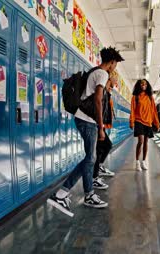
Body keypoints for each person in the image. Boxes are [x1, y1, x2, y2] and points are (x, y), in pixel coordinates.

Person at [47, 47, 124, 217]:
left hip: (83, 118)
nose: (115, 67)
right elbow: (97, 100)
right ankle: (62, 193)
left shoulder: (94, 71)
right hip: (89, 120)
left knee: (91, 158)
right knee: (90, 158)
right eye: (115, 64)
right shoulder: (103, 74)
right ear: (111, 62)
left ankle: (88, 194)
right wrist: (101, 126)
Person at [129, 79, 160, 171]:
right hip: (139, 121)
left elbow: (154, 111)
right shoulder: (135, 97)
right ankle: (137, 161)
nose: (144, 85)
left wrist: (157, 123)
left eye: (145, 84)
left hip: (148, 122)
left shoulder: (150, 97)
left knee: (146, 142)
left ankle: (143, 161)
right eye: (142, 84)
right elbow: (133, 110)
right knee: (141, 141)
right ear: (139, 85)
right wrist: (131, 121)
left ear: (147, 86)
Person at [93, 76, 117, 181]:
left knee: (102, 148)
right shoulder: (102, 91)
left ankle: (98, 169)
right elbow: (98, 106)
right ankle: (94, 177)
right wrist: (100, 126)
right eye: (115, 79)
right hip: (97, 124)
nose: (116, 81)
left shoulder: (107, 92)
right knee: (101, 148)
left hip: (101, 124)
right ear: (109, 79)